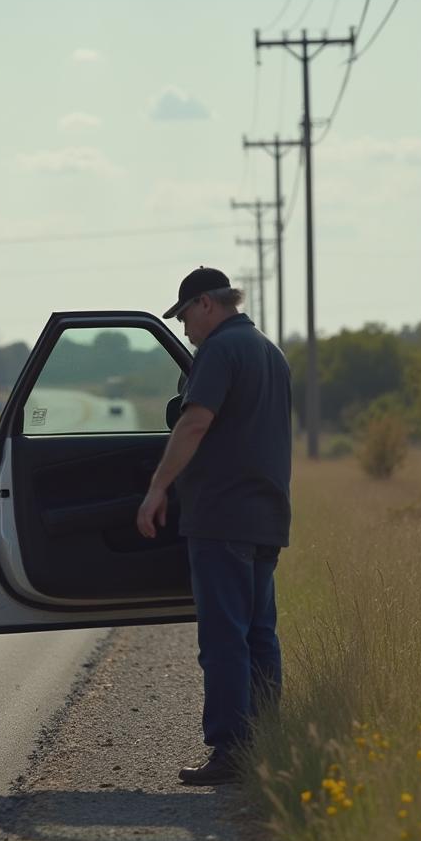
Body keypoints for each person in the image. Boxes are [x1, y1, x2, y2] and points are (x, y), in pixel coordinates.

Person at [136, 266, 292, 787]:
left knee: (224, 638)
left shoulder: (220, 351)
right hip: (265, 517)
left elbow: (195, 420)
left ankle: (230, 752)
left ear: (206, 303)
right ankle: (267, 743)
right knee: (259, 635)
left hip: (222, 516)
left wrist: (158, 487)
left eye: (184, 316)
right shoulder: (269, 351)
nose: (184, 329)